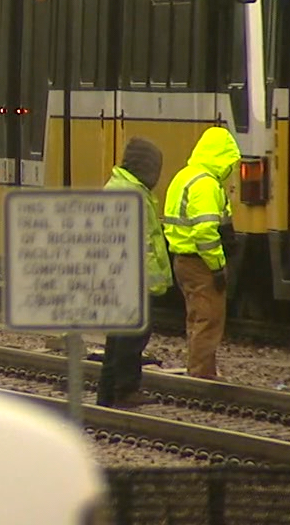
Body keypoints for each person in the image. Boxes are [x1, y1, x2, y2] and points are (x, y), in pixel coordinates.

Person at [96, 137, 171, 408]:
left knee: (118, 337)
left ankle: (107, 393)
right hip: (129, 279)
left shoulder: (125, 187)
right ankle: (125, 390)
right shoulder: (130, 192)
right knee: (131, 336)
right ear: (144, 167)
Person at [162, 126, 241, 380]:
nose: (231, 169)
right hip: (200, 262)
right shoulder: (205, 184)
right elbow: (205, 232)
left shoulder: (185, 176)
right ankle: (202, 376)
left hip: (182, 259)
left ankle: (200, 369)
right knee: (209, 319)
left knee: (196, 316)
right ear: (221, 157)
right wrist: (217, 266)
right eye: (230, 162)